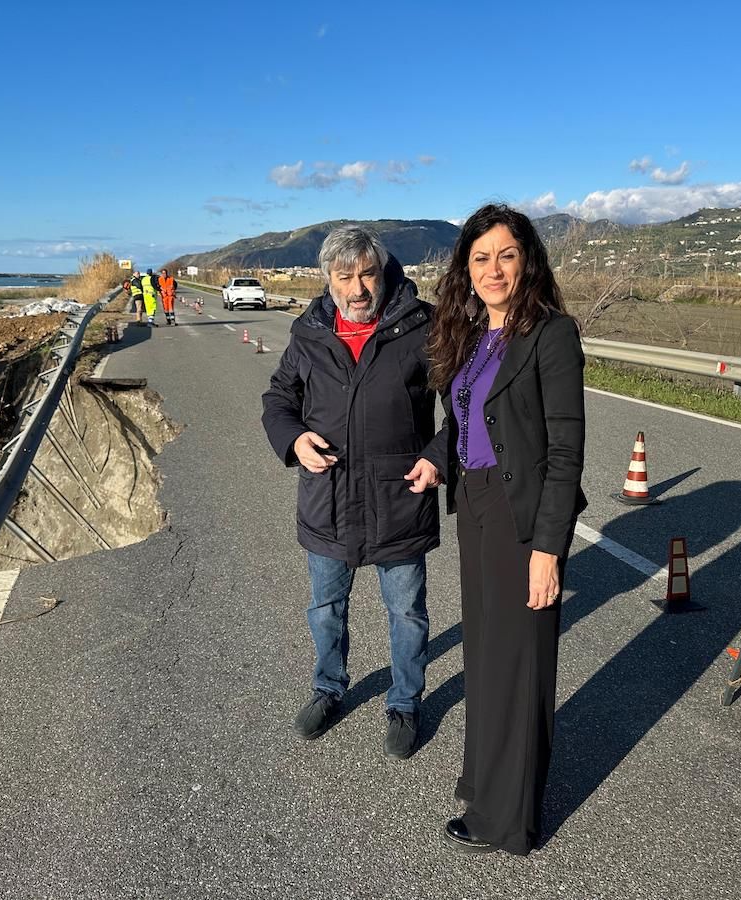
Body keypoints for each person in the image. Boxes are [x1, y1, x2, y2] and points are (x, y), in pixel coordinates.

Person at [416, 203, 586, 856]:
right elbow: (464, 421)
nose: (493, 268)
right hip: (476, 506)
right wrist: (437, 457)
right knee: (486, 655)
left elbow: (566, 450)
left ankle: (507, 819)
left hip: (523, 514)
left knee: (519, 665)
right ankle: (484, 780)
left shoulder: (551, 335)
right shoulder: (466, 332)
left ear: (528, 262)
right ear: (466, 267)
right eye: (480, 257)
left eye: (506, 255)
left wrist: (548, 549)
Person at [262, 226, 439, 761]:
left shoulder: (420, 327)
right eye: (345, 276)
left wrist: (436, 455)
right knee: (325, 607)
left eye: (366, 274)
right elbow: (278, 399)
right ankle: (328, 688)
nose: (358, 288)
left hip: (399, 498)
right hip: (328, 499)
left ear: (381, 272)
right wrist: (293, 439)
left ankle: (405, 702)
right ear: (328, 280)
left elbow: (464, 402)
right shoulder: (310, 333)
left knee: (406, 612)